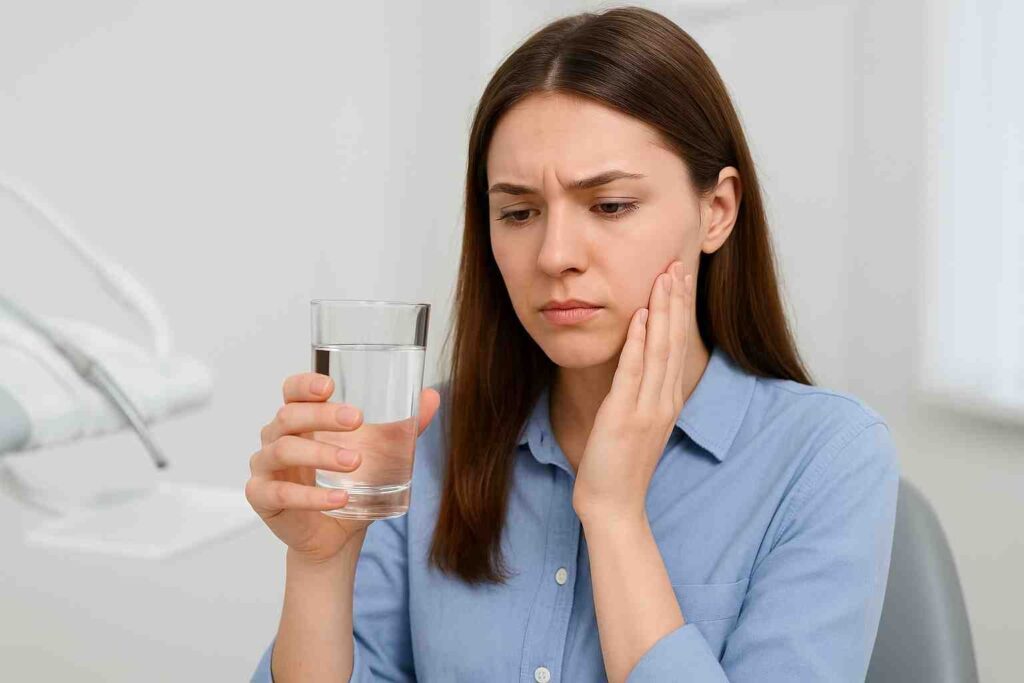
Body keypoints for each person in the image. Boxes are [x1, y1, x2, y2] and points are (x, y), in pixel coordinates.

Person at [247, 6, 899, 682]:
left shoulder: (827, 457)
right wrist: (320, 568)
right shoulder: (421, 441)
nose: (555, 254)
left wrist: (615, 516)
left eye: (610, 205)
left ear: (718, 210)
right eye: (519, 212)